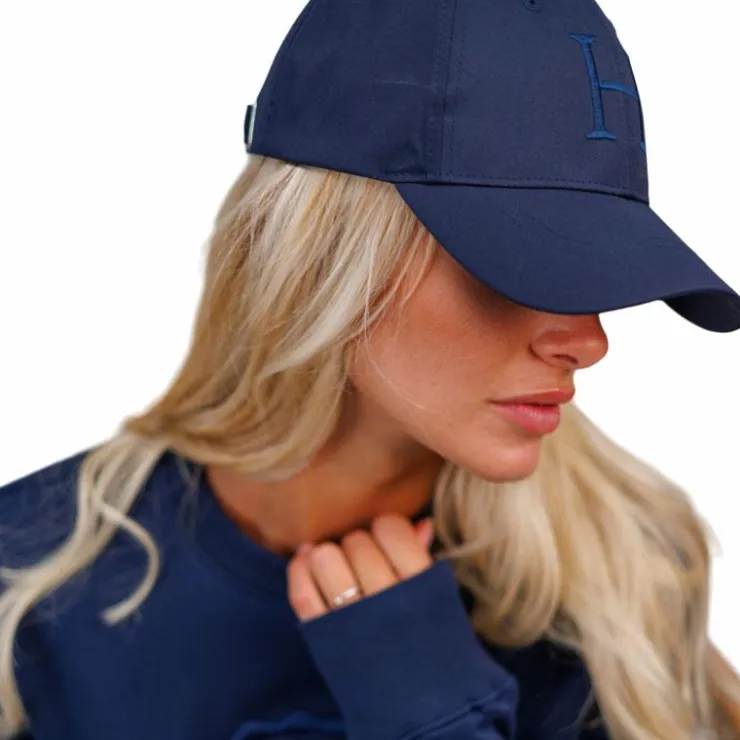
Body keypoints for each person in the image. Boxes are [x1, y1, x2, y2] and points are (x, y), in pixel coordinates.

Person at [2, 0, 740, 738]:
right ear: (324, 256)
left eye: (598, 267)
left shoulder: (628, 577)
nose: (589, 340)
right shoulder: (29, 580)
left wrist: (437, 717)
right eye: (520, 265)